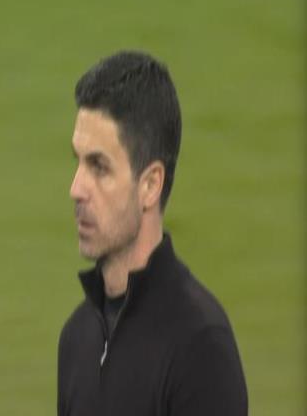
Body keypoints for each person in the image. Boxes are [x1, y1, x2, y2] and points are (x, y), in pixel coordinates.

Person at [57, 50, 248, 416]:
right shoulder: (77, 339)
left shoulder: (199, 345)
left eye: (99, 167)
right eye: (77, 161)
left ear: (150, 185)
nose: (76, 188)